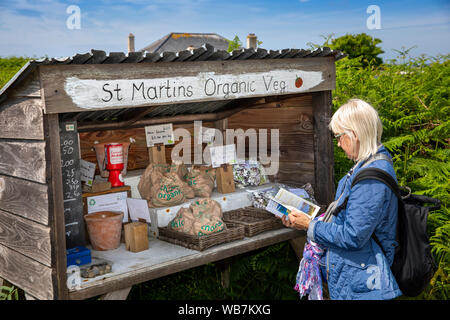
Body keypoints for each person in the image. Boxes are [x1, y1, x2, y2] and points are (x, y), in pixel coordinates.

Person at [282, 99, 402, 300]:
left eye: (338, 136)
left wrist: (309, 226)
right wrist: (309, 220)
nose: (337, 143)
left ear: (353, 135)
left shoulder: (370, 180)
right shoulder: (370, 163)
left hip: (363, 282)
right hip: (357, 273)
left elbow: (353, 236)